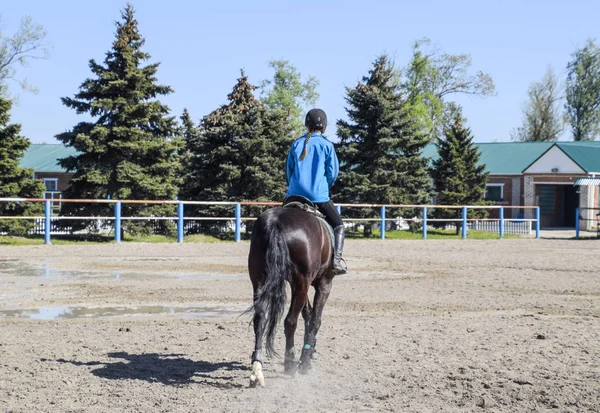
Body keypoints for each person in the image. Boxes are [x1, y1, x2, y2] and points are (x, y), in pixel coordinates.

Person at [285, 108, 347, 275]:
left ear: (307, 124)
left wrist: (295, 188)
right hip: (317, 197)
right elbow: (332, 173)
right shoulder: (327, 145)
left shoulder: (296, 144)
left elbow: (288, 172)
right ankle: (336, 261)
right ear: (324, 126)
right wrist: (322, 187)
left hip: (293, 195)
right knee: (339, 225)